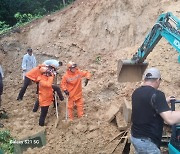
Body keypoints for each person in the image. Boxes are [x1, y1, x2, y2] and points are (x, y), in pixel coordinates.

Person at [130, 67, 180, 153]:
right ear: (157, 80)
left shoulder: (136, 92)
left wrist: (164, 102)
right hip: (147, 142)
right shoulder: (157, 94)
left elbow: (146, 105)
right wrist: (161, 101)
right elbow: (170, 119)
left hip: (135, 137)